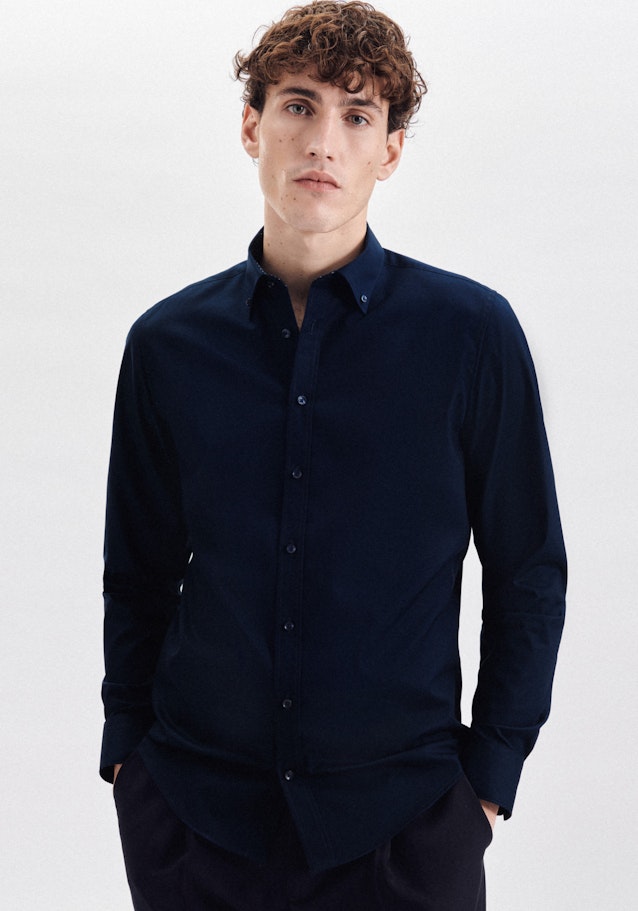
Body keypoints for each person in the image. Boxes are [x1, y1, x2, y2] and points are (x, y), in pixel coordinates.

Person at [100, 2, 567, 908]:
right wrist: (129, 757)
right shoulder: (166, 344)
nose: (323, 141)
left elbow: (528, 572)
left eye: (357, 115)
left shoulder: (472, 336)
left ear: (390, 150)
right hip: (196, 821)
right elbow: (139, 570)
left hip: (404, 829)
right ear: (251, 126)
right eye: (298, 106)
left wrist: (487, 782)